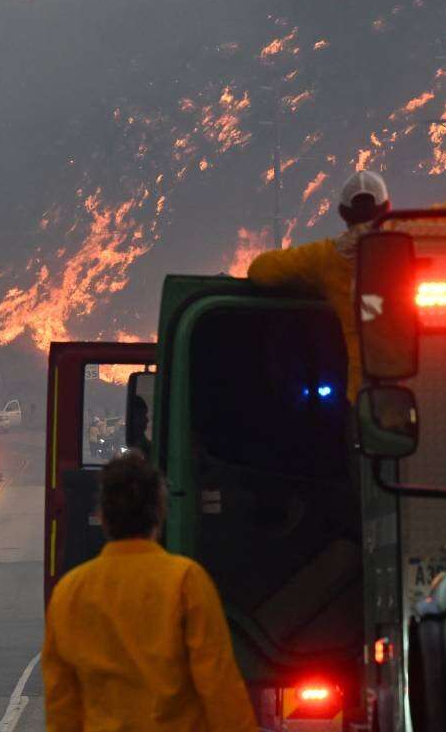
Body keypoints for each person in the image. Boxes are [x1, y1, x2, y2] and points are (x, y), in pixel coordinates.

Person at [42, 454, 258, 732]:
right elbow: (220, 688)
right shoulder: (185, 581)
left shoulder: (69, 592)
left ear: (103, 517)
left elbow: (62, 703)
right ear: (160, 512)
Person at [245, 170, 391, 400]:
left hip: (367, 399)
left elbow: (260, 271)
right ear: (388, 207)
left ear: (343, 214)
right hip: (422, 390)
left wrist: (308, 282)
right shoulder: (416, 236)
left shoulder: (326, 259)